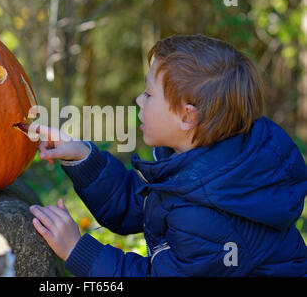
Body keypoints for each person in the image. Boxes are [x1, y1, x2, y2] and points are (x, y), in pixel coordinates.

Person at [28, 34, 307, 276]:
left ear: (187, 116)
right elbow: (134, 204)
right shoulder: (194, 164)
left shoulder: (208, 216)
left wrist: (78, 250)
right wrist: (83, 157)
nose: (139, 100)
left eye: (149, 94)